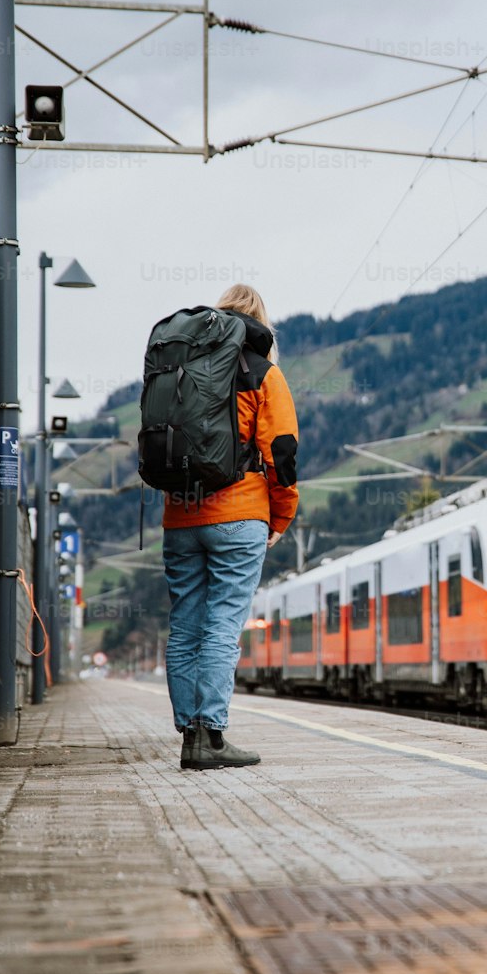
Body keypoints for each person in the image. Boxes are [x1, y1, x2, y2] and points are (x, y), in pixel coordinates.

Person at [161, 284, 298, 771]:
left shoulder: (177, 368)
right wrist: (280, 516)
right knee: (223, 624)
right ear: (261, 323)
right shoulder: (262, 371)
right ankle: (211, 736)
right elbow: (281, 453)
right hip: (239, 515)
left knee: (186, 627)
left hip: (180, 517)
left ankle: (188, 734)